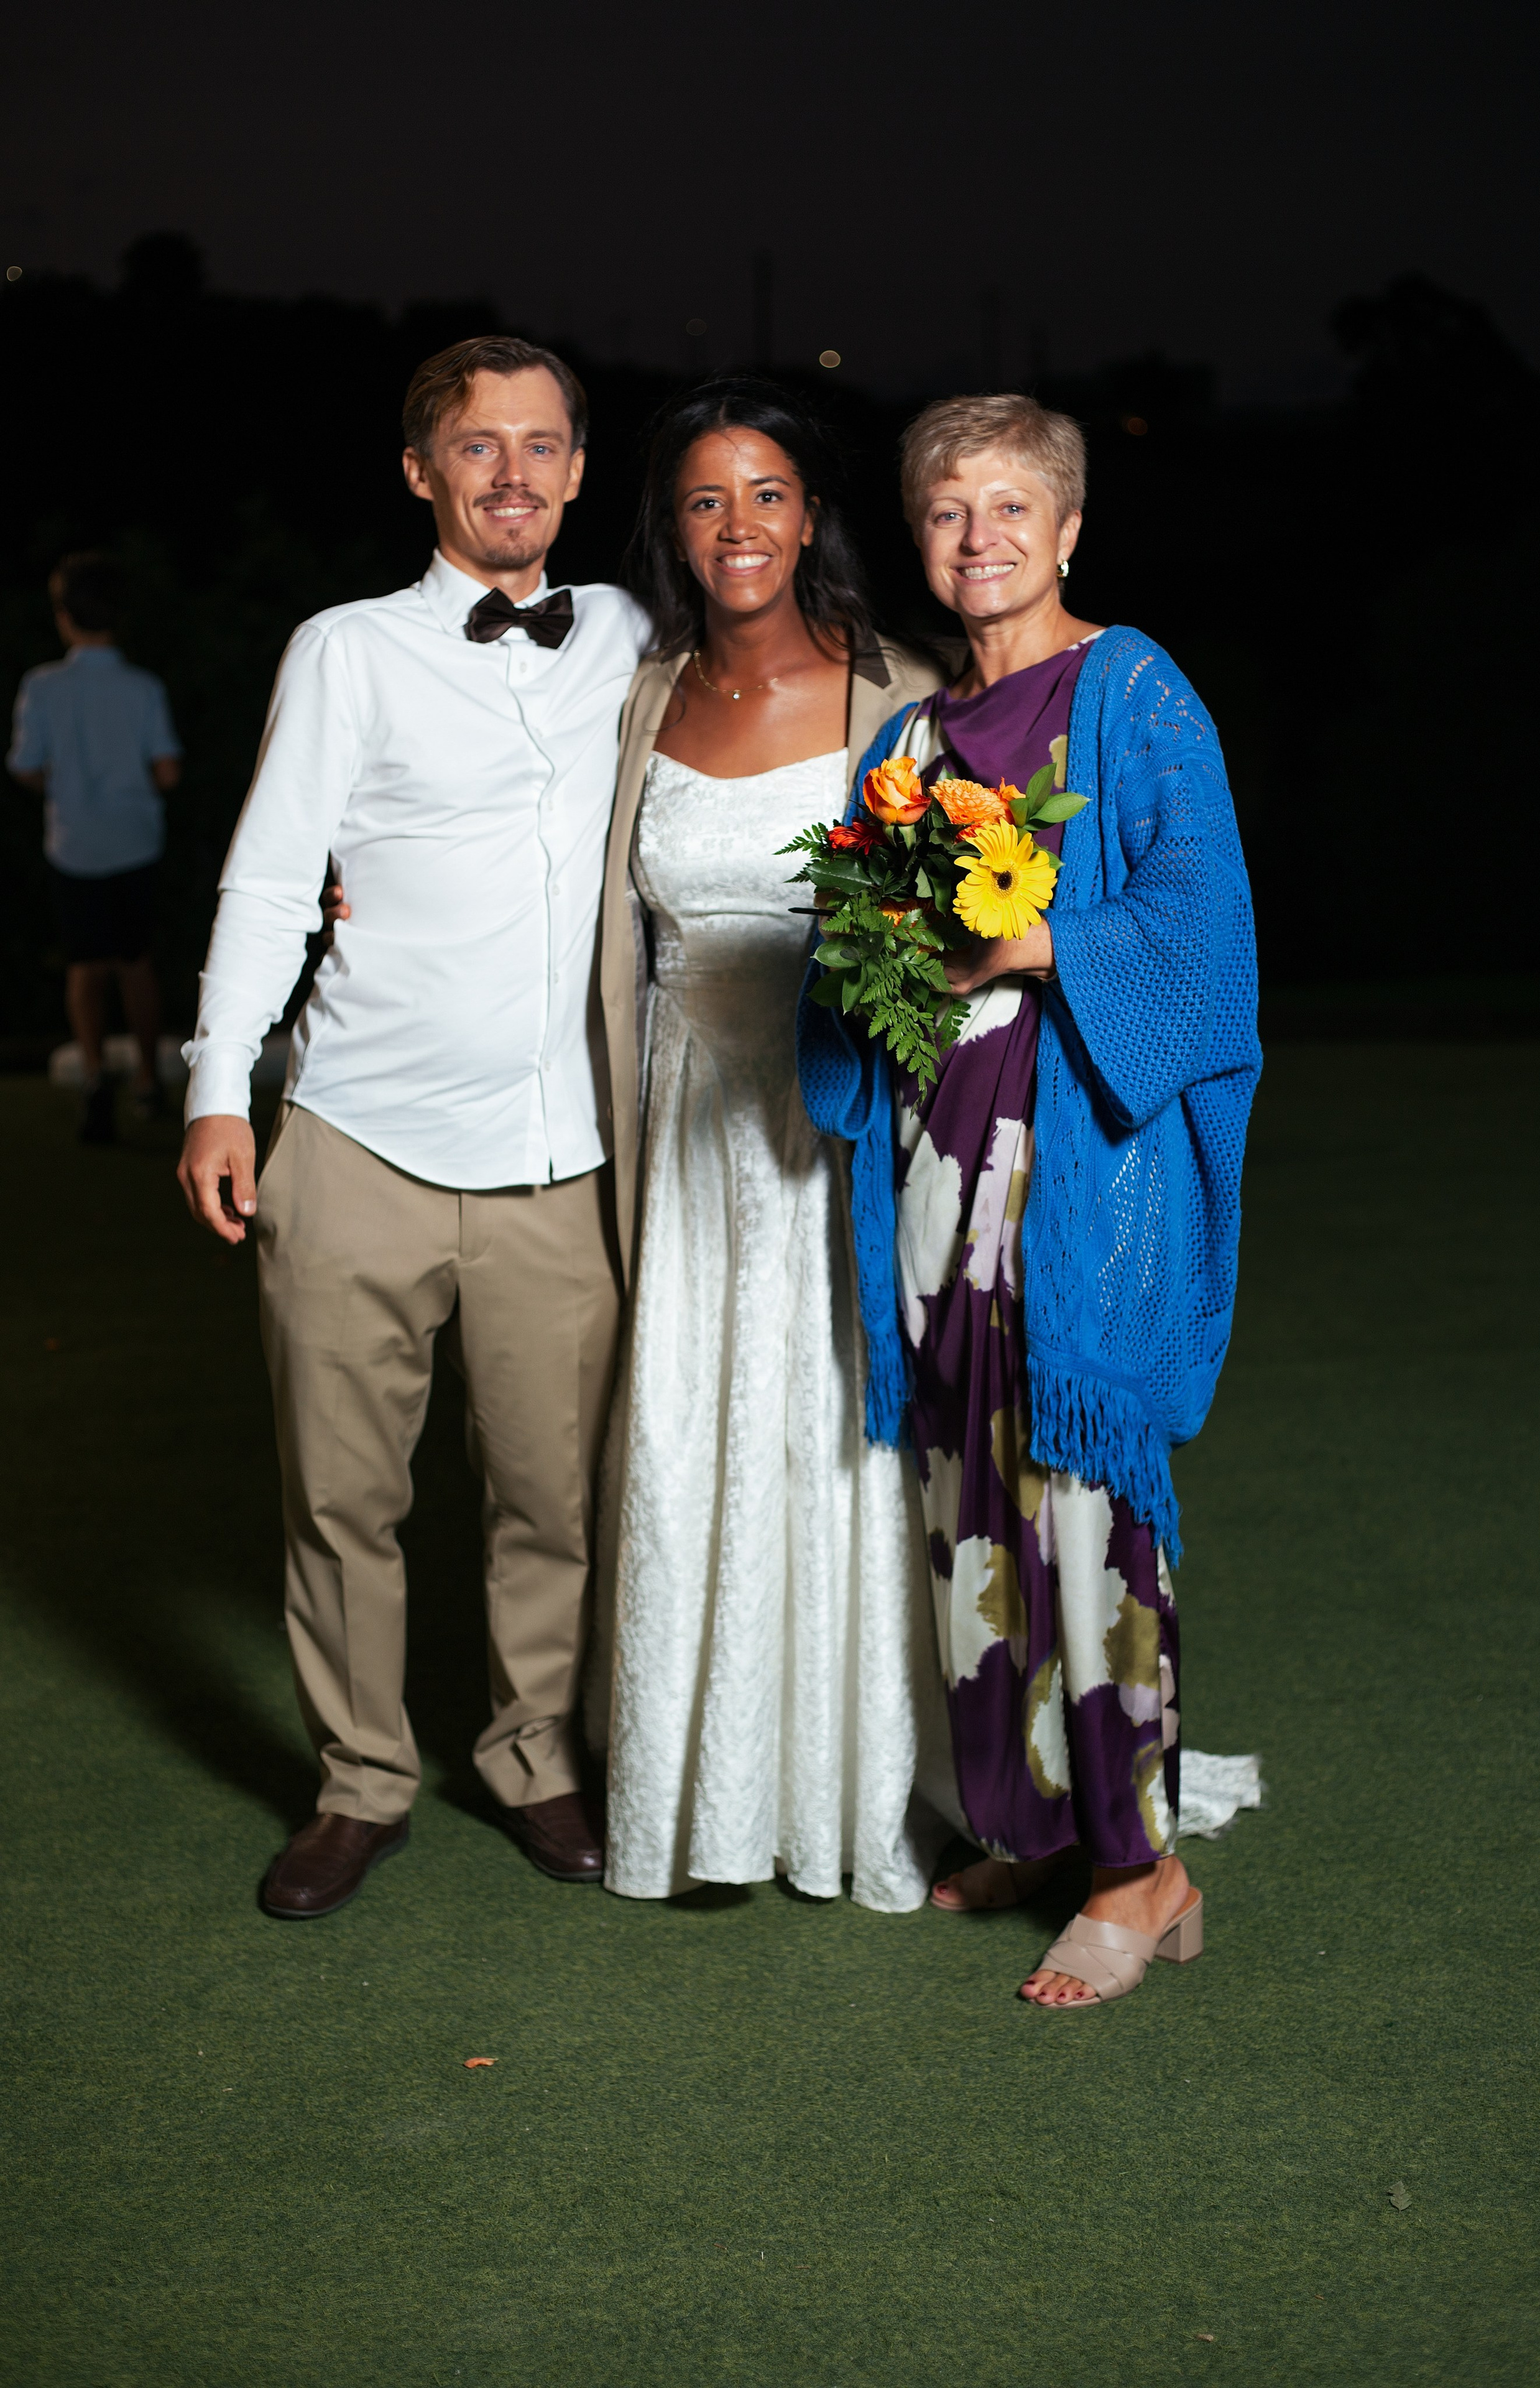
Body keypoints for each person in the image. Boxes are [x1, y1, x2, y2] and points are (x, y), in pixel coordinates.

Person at [177, 335, 650, 1919]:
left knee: (554, 1500)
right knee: (339, 1498)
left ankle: (535, 1756)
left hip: (565, 1156)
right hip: (354, 1139)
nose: (510, 472)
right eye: (476, 444)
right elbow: (269, 881)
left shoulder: (634, 638)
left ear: (577, 470)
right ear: (419, 471)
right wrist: (216, 1090)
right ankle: (359, 1783)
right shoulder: (344, 650)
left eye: (540, 443)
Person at [798, 394, 1261, 2005]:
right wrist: (866, 966)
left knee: (1082, 1502)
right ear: (918, 541)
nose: (977, 537)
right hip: (938, 1174)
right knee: (968, 1506)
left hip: (1085, 1175)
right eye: (946, 512)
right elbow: (847, 972)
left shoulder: (1132, 691)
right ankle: (1034, 1819)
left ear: (1067, 529)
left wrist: (1036, 941)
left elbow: (1204, 933)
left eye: (1010, 507)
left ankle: (1140, 1869)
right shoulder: (906, 746)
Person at [588, 378, 949, 1909]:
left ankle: (856, 1780)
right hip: (678, 1123)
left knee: (838, 1430)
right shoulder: (636, 698)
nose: (736, 525)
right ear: (672, 530)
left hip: (837, 1126)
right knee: (687, 1427)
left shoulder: (904, 695)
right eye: (702, 499)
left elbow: (964, 916)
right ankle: (694, 1797)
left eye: (765, 494)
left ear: (809, 518)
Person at [7, 553, 182, 1142]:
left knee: (85, 968)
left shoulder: (42, 686)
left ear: (63, 615)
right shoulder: (143, 687)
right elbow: (168, 772)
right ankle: (147, 1082)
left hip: (74, 845)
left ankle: (93, 1078)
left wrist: (64, 782)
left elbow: (25, 767)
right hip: (135, 841)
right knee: (136, 962)